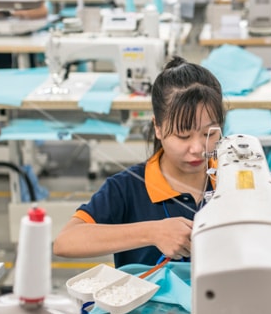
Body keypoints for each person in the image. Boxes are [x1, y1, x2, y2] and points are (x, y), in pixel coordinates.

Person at [53, 57, 225, 268]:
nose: (198, 148)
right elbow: (65, 242)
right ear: (158, 128)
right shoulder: (128, 187)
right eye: (183, 136)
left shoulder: (231, 177)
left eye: (209, 133)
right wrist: (151, 233)